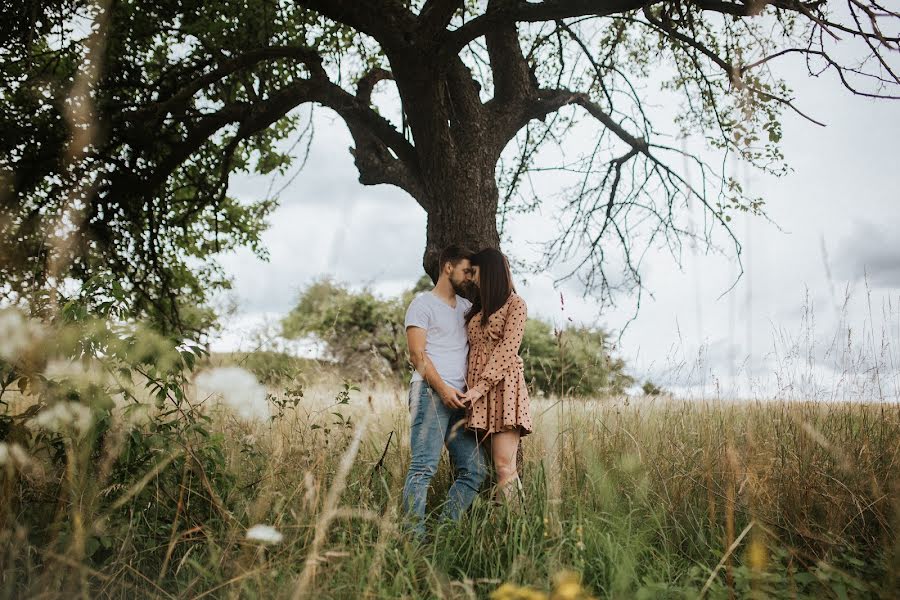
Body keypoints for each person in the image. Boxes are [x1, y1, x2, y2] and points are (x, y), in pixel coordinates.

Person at [401, 245, 487, 538]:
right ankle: (414, 540)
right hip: (429, 394)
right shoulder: (422, 305)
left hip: (461, 402)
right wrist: (444, 389)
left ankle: (443, 533)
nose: (469, 278)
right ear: (448, 267)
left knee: (475, 470)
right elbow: (417, 355)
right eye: (465, 270)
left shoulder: (465, 308)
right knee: (423, 467)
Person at [460, 248, 533, 503]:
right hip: (478, 394)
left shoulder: (516, 304)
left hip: (502, 390)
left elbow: (507, 350)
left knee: (504, 466)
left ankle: (517, 530)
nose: (472, 278)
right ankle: (508, 526)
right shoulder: (477, 309)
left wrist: (479, 388)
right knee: (496, 468)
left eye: (476, 272)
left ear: (489, 272)